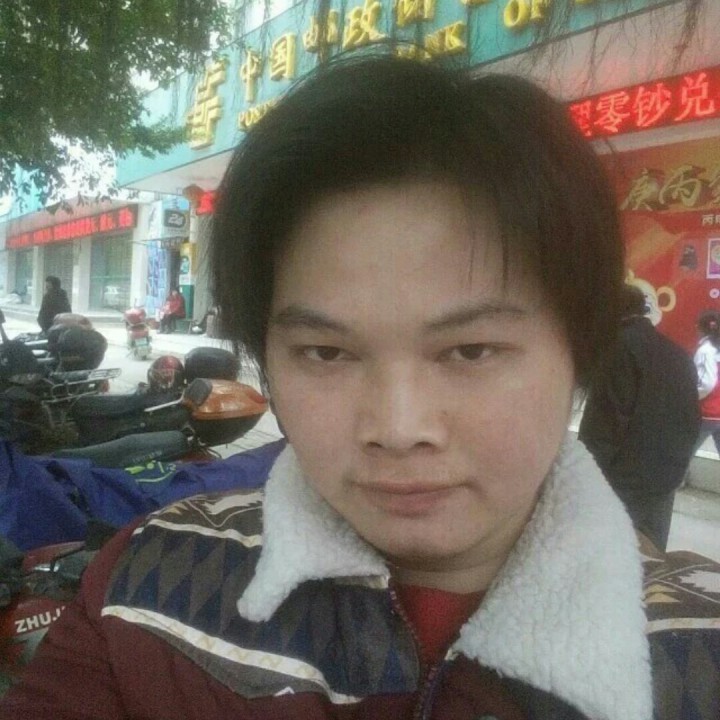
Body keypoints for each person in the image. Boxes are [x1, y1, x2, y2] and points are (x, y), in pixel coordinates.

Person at [2, 55, 718, 720]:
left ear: (577, 351)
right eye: (327, 352)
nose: (398, 428)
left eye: (470, 350)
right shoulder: (145, 591)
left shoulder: (694, 658)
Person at [578, 285, 700, 551]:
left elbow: (604, 426)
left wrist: (582, 476)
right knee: (651, 559)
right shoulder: (677, 354)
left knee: (607, 557)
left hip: (621, 482)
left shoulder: (617, 351)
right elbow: (693, 418)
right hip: (666, 475)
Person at [693, 309, 720, 455]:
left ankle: (675, 472)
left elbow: (706, 383)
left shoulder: (705, 350)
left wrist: (690, 396)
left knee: (685, 452)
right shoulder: (716, 349)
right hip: (717, 411)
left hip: (707, 412)